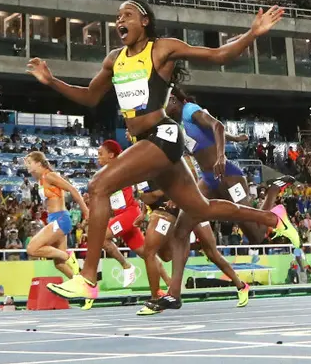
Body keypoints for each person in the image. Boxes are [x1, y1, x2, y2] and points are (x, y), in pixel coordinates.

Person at [26, 0, 300, 302]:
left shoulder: (161, 49)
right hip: (146, 142)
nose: (120, 20)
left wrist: (253, 33)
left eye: (127, 15)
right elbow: (90, 96)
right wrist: (51, 81)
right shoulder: (114, 60)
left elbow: (219, 54)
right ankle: (273, 218)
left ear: (144, 21)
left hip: (162, 136)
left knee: (98, 186)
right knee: (201, 209)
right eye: (118, 17)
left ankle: (88, 278)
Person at [154, 81, 295, 311]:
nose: (162, 108)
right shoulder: (178, 124)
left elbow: (216, 126)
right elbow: (212, 132)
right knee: (180, 231)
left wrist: (221, 156)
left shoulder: (190, 110)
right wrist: (235, 139)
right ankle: (174, 294)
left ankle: (272, 193)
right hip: (208, 180)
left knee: (256, 236)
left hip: (228, 175)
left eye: (164, 103)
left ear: (173, 100)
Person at [135, 154, 252, 315]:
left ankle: (241, 286)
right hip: (170, 212)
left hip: (191, 209)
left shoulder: (174, 156)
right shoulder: (144, 168)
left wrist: (177, 196)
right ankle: (190, 250)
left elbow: (195, 180)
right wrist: (143, 210)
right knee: (166, 255)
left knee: (212, 252)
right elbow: (146, 195)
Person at [96, 139, 171, 294]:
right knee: (147, 254)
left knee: (101, 237)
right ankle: (171, 285)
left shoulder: (123, 168)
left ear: (111, 155)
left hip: (129, 214)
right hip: (122, 216)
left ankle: (127, 266)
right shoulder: (105, 173)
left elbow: (142, 188)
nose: (98, 157)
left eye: (100, 154)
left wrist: (143, 211)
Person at [23, 151, 90, 306]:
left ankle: (68, 256)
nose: (27, 166)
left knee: (32, 249)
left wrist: (85, 211)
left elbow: (73, 190)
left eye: (29, 163)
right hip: (55, 219)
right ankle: (85, 289)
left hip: (61, 219)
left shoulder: (50, 176)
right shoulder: (41, 179)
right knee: (59, 264)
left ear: (39, 163)